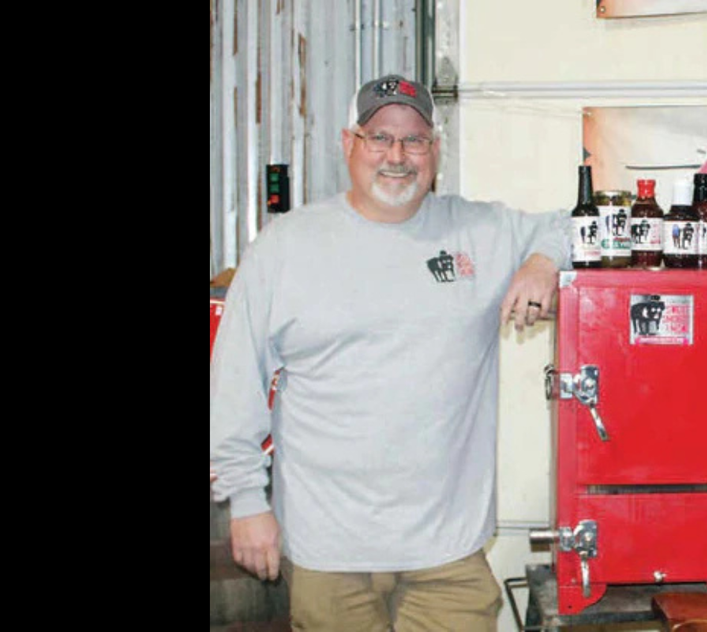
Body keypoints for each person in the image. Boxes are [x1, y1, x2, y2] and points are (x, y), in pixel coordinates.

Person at [209, 74, 571, 630]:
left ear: (435, 150)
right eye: (379, 137)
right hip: (327, 551)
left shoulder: (478, 231)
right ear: (347, 143)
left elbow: (574, 225)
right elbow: (234, 380)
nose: (397, 156)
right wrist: (247, 502)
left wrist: (543, 262)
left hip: (447, 552)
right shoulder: (287, 247)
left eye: (415, 140)